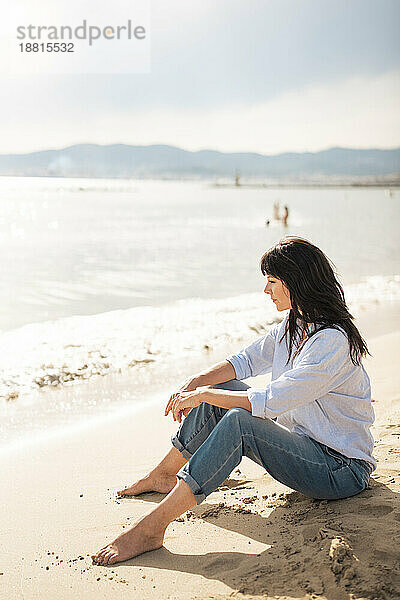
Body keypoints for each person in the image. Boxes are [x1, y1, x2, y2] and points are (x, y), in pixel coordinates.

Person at [92, 237, 375, 566]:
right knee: (220, 387)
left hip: (339, 470)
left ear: (296, 282)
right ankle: (163, 476)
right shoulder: (295, 324)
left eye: (272, 282)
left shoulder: (331, 342)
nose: (266, 291)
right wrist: (198, 381)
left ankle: (151, 529)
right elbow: (245, 361)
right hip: (305, 447)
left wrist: (204, 395)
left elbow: (271, 401)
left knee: (237, 418)